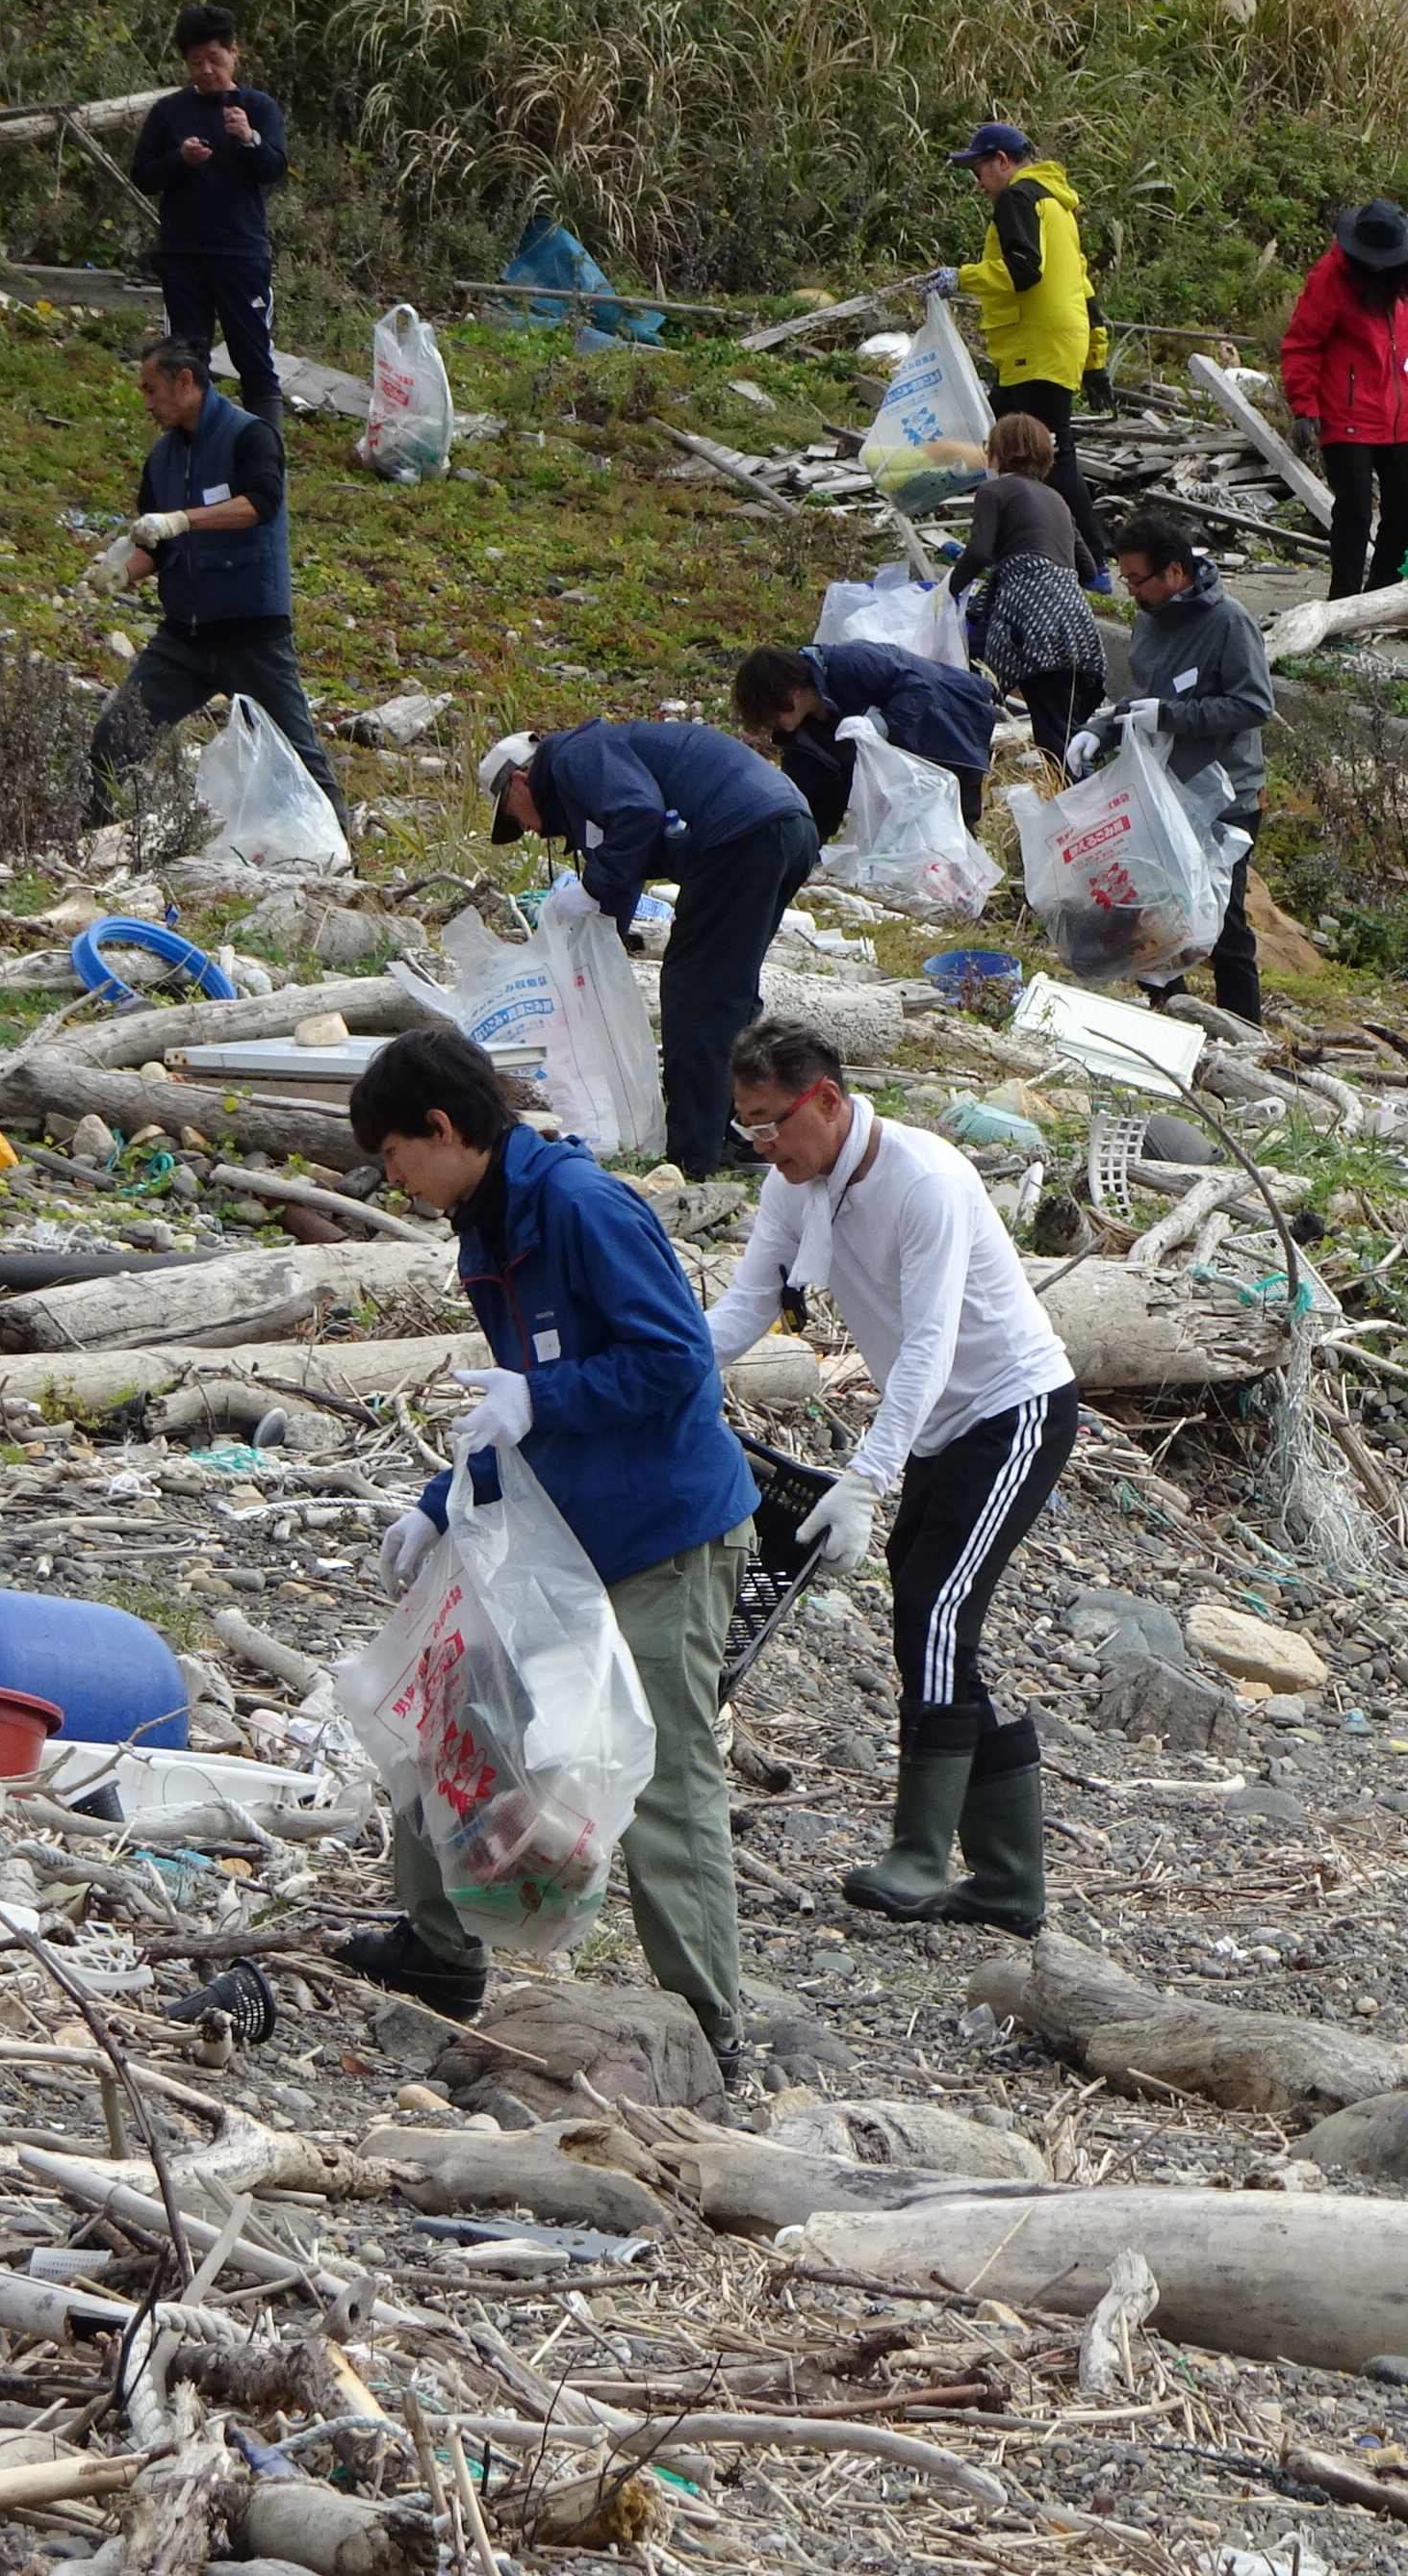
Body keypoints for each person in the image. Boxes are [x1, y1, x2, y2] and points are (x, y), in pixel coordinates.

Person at [338, 1027, 757, 2068]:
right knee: (458, 1710)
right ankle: (441, 1946)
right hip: (565, 1525)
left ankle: (709, 2024)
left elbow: (677, 1369)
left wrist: (543, 1397)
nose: (399, 1185)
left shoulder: (581, 1206)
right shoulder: (487, 1216)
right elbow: (517, 1403)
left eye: (397, 1161)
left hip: (665, 1531)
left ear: (442, 1129)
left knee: (663, 1775)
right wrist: (443, 1501)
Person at [703, 1020, 1079, 1926]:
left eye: (769, 1124)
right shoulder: (797, 1183)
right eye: (745, 1126)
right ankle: (1007, 1880)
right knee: (926, 1616)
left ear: (825, 1102)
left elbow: (930, 1347)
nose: (761, 1145)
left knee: (935, 1611)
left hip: (1013, 1409)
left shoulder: (926, 1180)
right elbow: (751, 1303)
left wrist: (865, 1479)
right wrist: (660, 1370)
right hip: (941, 1430)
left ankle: (920, 1852)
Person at [478, 720, 817, 1179]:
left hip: (742, 833)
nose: (530, 830)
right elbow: (627, 854)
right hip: (784, 825)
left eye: (515, 817)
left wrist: (590, 889)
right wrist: (595, 941)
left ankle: (694, 1154)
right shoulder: (589, 772)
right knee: (729, 989)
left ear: (520, 780)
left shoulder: (576, 759)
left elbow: (637, 815)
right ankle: (740, 1126)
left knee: (695, 992)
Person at [86, 336, 342, 837]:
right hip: (184, 636)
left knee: (294, 751)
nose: (148, 402)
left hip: (252, 633)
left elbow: (261, 502)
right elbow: (156, 542)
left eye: (152, 389)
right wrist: (121, 572)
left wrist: (183, 519)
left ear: (186, 382)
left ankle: (341, 852)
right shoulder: (163, 457)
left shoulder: (251, 436)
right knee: (115, 737)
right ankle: (91, 844)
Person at [1079, 513, 1276, 1022]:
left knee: (1224, 922)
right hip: (1161, 792)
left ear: (1174, 573)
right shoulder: (1148, 621)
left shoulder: (1229, 622)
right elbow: (1140, 699)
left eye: (1137, 580)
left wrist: (1172, 716)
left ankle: (1244, 1030)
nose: (1130, 592)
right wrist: (1100, 728)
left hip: (1225, 796)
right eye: (1124, 580)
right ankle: (1167, 1017)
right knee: (1153, 913)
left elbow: (1254, 705)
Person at [1278, 200, 1408, 605]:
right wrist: (1304, 406)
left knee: (1402, 506)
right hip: (1346, 415)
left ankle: (1380, 598)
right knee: (1355, 511)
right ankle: (1342, 599)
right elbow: (1302, 343)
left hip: (1395, 417)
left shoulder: (1398, 280)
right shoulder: (1330, 278)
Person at [951, 124, 1107, 573]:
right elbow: (1084, 287)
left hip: (1034, 344)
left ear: (1002, 160)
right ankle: (1016, 548)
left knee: (1049, 455)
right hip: (1055, 343)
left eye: (979, 170)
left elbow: (1024, 271)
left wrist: (961, 277)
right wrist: (1096, 360)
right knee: (1008, 439)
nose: (978, 183)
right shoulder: (1057, 206)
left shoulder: (1017, 198)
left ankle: (1090, 562)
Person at [129, 7, 287, 419]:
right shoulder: (169, 112)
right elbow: (143, 175)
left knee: (254, 359)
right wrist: (179, 159)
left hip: (241, 253)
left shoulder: (259, 107)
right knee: (185, 362)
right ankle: (190, 447)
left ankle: (265, 457)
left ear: (234, 53)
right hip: (183, 254)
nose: (206, 70)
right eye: (196, 62)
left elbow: (274, 169)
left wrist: (249, 138)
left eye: (214, 59)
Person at [941, 411, 1106, 743]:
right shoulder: (1058, 500)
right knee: (1062, 732)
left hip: (1030, 618)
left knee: (970, 680)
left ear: (997, 451)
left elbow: (979, 553)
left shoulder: (994, 491)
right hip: (1075, 621)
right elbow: (1087, 570)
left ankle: (964, 753)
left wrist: (947, 593)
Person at [730, 639, 998, 835]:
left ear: (792, 692)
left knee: (956, 825)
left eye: (774, 713)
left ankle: (968, 902)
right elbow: (817, 790)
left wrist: (878, 724)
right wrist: (805, 844)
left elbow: (917, 689)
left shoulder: (849, 663)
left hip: (950, 726)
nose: (777, 724)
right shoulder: (804, 732)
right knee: (913, 834)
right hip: (904, 767)